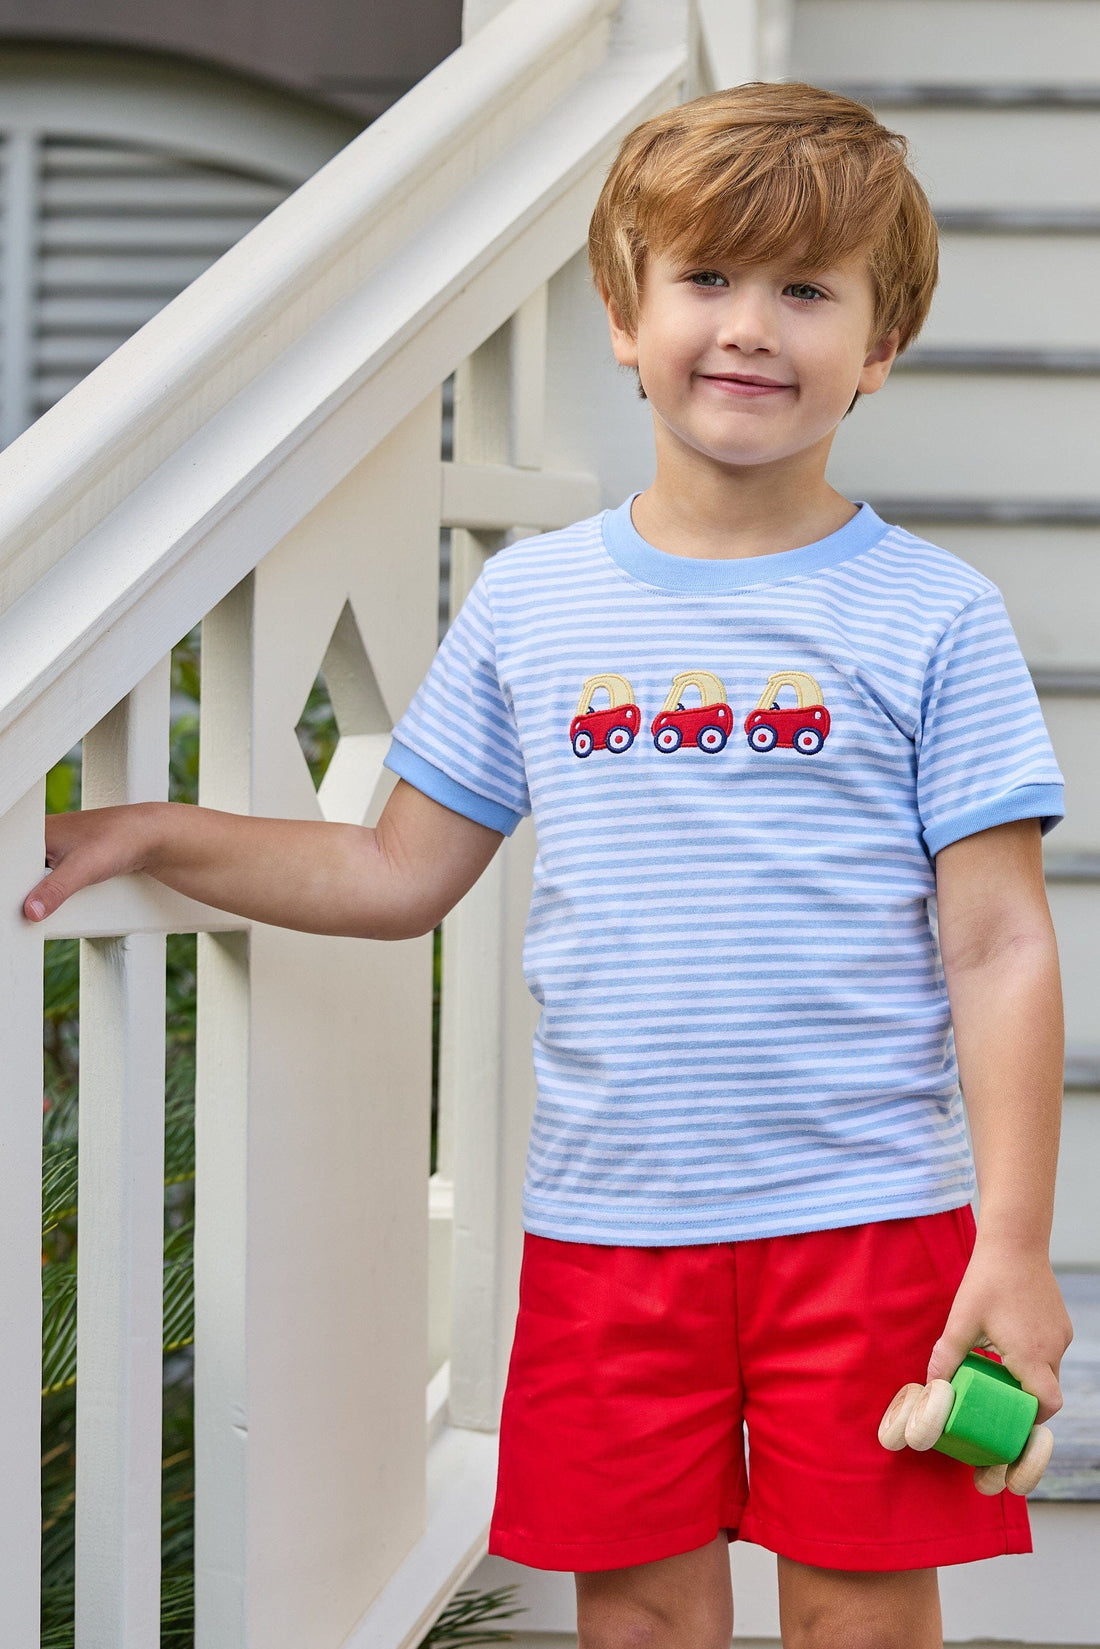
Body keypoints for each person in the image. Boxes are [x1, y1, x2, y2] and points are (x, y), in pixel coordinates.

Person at [24, 81, 1074, 1649]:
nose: (750, 329)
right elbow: (394, 871)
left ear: (883, 342)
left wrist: (1011, 1241)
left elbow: (999, 948)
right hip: (611, 1227)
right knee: (640, 1610)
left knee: (858, 1610)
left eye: (807, 290)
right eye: (706, 280)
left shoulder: (934, 616)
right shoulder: (535, 609)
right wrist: (158, 831)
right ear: (621, 312)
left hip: (867, 1223)